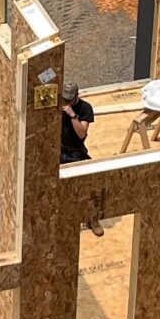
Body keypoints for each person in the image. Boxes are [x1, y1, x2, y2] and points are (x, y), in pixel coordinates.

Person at [59, 86, 105, 236]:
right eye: (64, 99)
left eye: (69, 100)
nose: (66, 102)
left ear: (76, 97)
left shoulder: (85, 108)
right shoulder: (59, 104)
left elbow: (81, 133)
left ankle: (92, 219)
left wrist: (72, 115)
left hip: (75, 152)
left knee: (88, 186)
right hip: (58, 151)